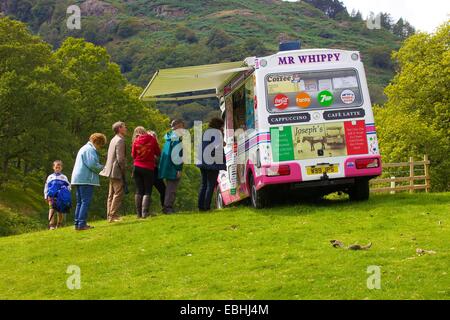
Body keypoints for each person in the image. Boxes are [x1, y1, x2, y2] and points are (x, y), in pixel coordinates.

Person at [71, 133, 107, 231]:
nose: (99, 148)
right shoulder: (90, 149)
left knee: (79, 202)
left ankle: (77, 223)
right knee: (85, 202)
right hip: (86, 179)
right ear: (96, 142)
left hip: (78, 178)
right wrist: (104, 167)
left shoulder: (84, 148)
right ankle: (82, 224)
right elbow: (92, 164)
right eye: (100, 145)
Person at [197, 118, 226, 211]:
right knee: (211, 185)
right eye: (222, 126)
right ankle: (207, 207)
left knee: (204, 184)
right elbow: (220, 146)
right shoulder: (217, 133)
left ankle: (201, 206)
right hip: (212, 162)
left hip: (202, 161)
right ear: (219, 125)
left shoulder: (206, 132)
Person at [100, 122, 127, 223]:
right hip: (116, 170)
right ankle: (113, 215)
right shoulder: (120, 140)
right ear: (119, 128)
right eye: (124, 127)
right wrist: (123, 169)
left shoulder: (113, 139)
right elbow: (120, 159)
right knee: (118, 193)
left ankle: (110, 216)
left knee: (111, 194)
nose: (126, 128)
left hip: (109, 170)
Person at [131, 127, 161, 218]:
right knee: (148, 190)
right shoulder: (151, 139)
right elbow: (158, 152)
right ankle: (145, 213)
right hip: (148, 167)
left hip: (137, 167)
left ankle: (138, 214)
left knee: (139, 190)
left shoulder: (136, 141)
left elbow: (133, 155)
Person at [158, 119, 185, 214]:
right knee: (171, 189)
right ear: (177, 126)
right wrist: (178, 169)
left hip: (166, 166)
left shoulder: (169, 138)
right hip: (173, 167)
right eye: (182, 126)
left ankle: (167, 206)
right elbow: (177, 156)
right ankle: (168, 208)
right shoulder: (176, 138)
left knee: (169, 188)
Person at [44, 160, 71, 230]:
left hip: (60, 197)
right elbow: (46, 186)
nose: (57, 169)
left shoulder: (64, 177)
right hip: (51, 196)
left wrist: (66, 193)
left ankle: (59, 224)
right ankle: (51, 225)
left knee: (60, 211)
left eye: (59, 167)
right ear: (53, 167)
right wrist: (45, 196)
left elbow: (69, 186)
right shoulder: (50, 177)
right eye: (56, 167)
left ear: (61, 168)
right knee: (51, 209)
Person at [148, 131, 166, 209]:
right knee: (147, 192)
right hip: (149, 170)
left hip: (155, 170)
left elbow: (160, 159)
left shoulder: (157, 147)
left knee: (163, 190)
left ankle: (164, 207)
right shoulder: (146, 147)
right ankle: (145, 211)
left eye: (154, 136)